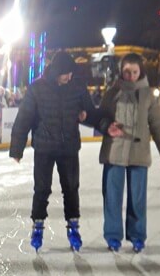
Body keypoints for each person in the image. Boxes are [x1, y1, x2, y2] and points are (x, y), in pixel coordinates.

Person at [9, 52, 100, 252]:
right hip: (44, 148)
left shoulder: (77, 87)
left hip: (69, 147)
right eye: (66, 74)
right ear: (57, 72)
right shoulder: (37, 89)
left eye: (71, 74)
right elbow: (24, 119)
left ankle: (74, 227)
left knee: (71, 188)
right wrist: (17, 148)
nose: (69, 77)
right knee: (42, 189)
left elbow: (90, 112)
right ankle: (38, 226)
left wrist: (99, 122)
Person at [94, 53, 160, 254]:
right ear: (121, 71)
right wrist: (106, 125)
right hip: (114, 152)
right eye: (126, 72)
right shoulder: (112, 93)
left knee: (137, 199)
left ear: (141, 72)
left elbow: (157, 125)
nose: (130, 76)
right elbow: (100, 119)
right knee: (112, 198)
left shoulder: (149, 95)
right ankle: (113, 237)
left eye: (134, 72)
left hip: (139, 153)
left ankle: (137, 236)